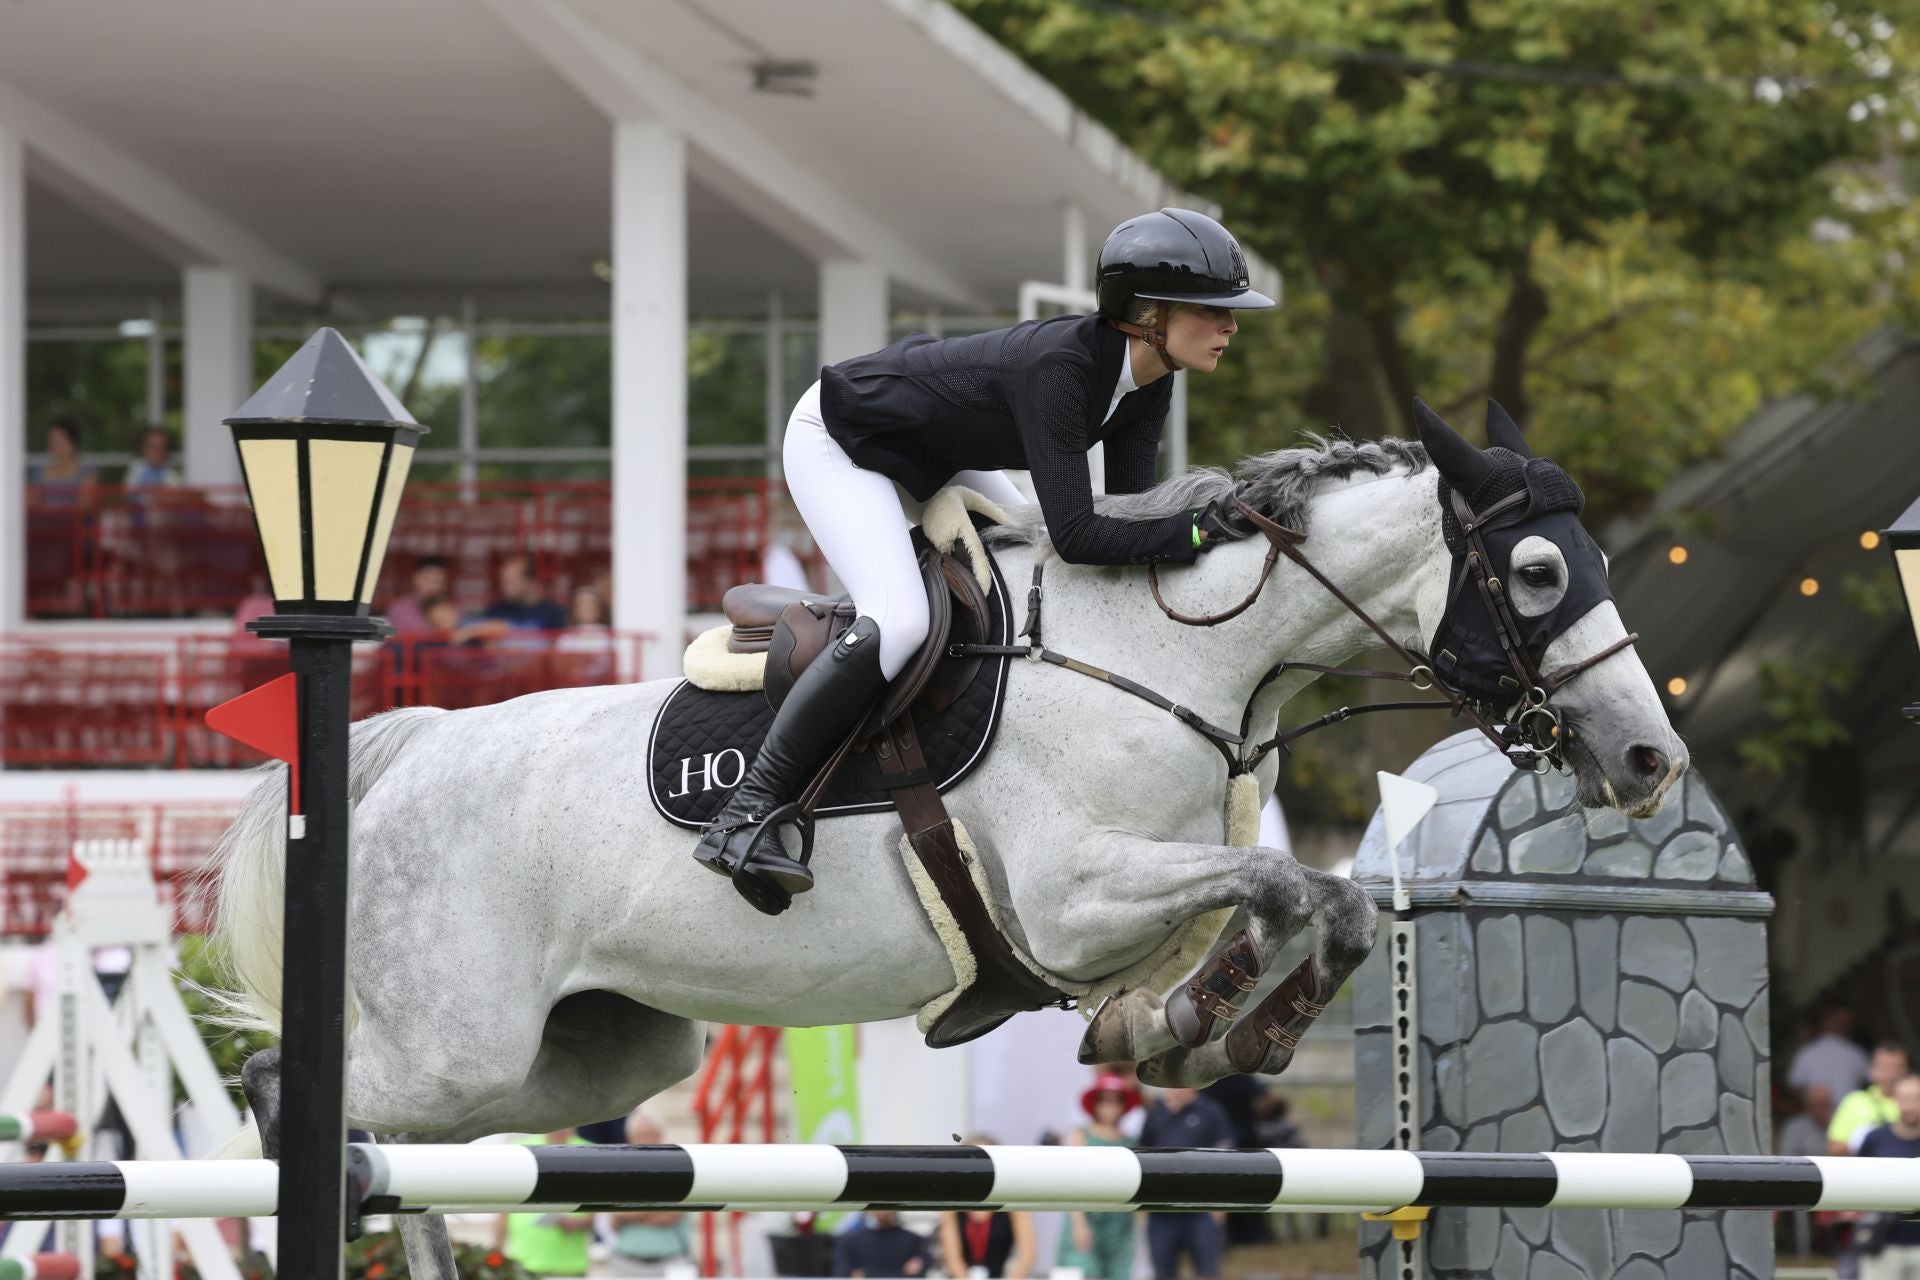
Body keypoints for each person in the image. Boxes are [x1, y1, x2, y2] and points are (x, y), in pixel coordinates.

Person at [692, 208, 1273, 912]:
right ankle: (746, 812)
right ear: (1150, 314)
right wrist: (1199, 533)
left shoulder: (1152, 379)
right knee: (901, 619)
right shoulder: (1065, 369)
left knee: (1017, 568)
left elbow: (1126, 517)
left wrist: (1200, 536)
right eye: (1213, 312)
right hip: (842, 438)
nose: (1231, 328)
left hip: (935, 453)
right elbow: (1082, 538)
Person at [1139, 1088, 1235, 1280]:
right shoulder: (1156, 1112)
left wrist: (1221, 1205)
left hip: (1202, 1208)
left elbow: (1226, 1156)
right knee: (1163, 1272)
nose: (1177, 1089)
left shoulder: (1212, 1110)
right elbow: (1142, 1154)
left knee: (1207, 1270)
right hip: (1161, 1209)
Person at [1056, 1075, 1139, 1280]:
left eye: (1116, 1100)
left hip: (1120, 1223)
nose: (1110, 1106)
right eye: (1104, 1100)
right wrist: (1079, 1224)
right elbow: (1070, 1182)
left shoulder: (1130, 1141)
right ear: (1095, 1104)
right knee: (1084, 1271)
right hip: (1087, 1215)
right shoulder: (1080, 1136)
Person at [495, 1128, 593, 1276]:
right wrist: (497, 1249)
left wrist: (577, 1223)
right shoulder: (521, 1150)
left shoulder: (588, 1152)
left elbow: (600, 1214)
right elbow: (503, 1208)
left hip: (568, 1267)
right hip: (524, 1262)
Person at [938, 1136, 1037, 1279]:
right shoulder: (951, 1203)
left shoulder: (1012, 1200)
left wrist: (1015, 1277)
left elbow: (1028, 1253)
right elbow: (952, 1259)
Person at [610, 1111, 694, 1275]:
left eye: (651, 1135)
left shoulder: (677, 1169)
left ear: (660, 1136)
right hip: (626, 1264)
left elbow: (671, 1215)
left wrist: (630, 1212)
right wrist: (653, 1210)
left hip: (670, 1263)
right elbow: (614, 1219)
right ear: (630, 1138)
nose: (646, 1141)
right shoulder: (618, 1172)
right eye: (641, 1135)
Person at [1857, 1075, 1920, 1280]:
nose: (1910, 1106)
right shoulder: (1875, 1139)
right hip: (1882, 1244)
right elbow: (1856, 1184)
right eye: (1906, 1099)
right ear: (1895, 1100)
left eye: (1916, 1099)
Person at [1832, 1043, 1911, 1154]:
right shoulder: (1855, 1101)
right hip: (1864, 1169)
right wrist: (1856, 1144)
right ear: (1871, 1069)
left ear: (1906, 1070)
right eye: (1884, 1066)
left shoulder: (1915, 1103)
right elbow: (1833, 1149)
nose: (1889, 1073)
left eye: (1896, 1067)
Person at [1792, 1007, 1871, 1106]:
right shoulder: (1855, 1053)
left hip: (1823, 1116)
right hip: (1849, 1114)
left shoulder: (1806, 1052)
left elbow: (1795, 1088)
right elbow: (1871, 1083)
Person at [832, 1210, 930, 1279]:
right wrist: (900, 1273)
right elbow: (843, 1274)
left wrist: (866, 1274)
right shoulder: (850, 1240)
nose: (882, 1210)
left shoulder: (915, 1241)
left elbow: (917, 1274)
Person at [483, 553, 566, 631]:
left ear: (529, 581)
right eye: (503, 581)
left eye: (510, 581)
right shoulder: (496, 612)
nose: (504, 587)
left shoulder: (553, 614)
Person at [28, 419, 98, 508]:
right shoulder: (39, 469)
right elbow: (32, 503)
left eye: (60, 441)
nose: (55, 445)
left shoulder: (87, 469)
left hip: (75, 520)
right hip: (45, 520)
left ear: (73, 442)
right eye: (52, 441)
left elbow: (85, 504)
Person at [385, 555, 451, 633]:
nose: (433, 587)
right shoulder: (400, 608)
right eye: (428, 580)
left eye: (438, 582)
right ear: (415, 578)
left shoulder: (449, 609)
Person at [122, 426, 181, 491]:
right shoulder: (135, 470)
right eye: (151, 447)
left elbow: (174, 497)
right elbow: (127, 494)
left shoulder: (172, 476)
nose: (156, 452)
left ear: (167, 452)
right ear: (142, 449)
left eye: (160, 447)